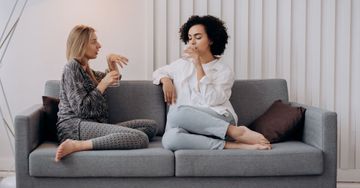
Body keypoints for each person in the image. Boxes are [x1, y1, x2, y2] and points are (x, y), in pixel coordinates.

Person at [153, 15, 271, 150]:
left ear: (211, 40)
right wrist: (166, 80)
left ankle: (236, 132)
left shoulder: (223, 70)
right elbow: (158, 72)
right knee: (169, 139)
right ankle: (233, 145)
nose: (192, 42)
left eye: (198, 37)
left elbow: (212, 100)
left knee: (176, 113)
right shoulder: (182, 64)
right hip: (191, 125)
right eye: (190, 38)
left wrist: (198, 65)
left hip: (220, 118)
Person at [55, 25, 158, 162]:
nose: (99, 45)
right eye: (94, 42)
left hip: (92, 125)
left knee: (151, 126)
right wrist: (103, 83)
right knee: (141, 138)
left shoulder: (87, 71)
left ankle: (112, 136)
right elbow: (82, 109)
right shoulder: (71, 67)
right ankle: (78, 145)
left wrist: (110, 62)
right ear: (81, 44)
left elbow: (113, 80)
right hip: (74, 127)